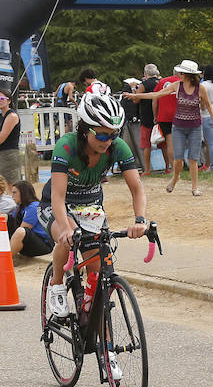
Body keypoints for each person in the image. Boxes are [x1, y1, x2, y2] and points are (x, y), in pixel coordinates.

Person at [43, 94, 148, 347]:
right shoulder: (66, 146)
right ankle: (57, 284)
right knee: (66, 238)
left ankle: (100, 335)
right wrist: (67, 229)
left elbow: (137, 188)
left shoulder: (116, 146)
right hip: (58, 204)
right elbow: (57, 198)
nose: (108, 141)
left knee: (99, 272)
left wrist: (140, 220)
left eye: (113, 134)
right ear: (84, 130)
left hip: (91, 207)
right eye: (101, 135)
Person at [125, 60, 213, 196]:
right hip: (178, 126)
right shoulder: (176, 86)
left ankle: (194, 188)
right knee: (178, 158)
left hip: (195, 127)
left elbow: (208, 105)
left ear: (187, 74)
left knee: (193, 158)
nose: (179, 74)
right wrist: (136, 95)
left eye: (181, 72)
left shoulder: (200, 88)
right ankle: (175, 178)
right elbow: (156, 95)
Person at [9, 180, 52, 259]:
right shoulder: (21, 207)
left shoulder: (33, 207)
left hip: (43, 245)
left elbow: (22, 230)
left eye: (14, 193)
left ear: (23, 193)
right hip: (29, 241)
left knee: (20, 231)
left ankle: (5, 261)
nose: (12, 196)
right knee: (3, 219)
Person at [0, 92, 23, 183]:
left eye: (2, 99)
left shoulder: (12, 116)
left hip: (9, 154)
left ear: (9, 101)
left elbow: (0, 139)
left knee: (11, 184)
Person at [136, 64, 160, 174]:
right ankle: (168, 168)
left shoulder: (143, 84)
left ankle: (147, 169)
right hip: (160, 115)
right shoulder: (161, 82)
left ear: (145, 74)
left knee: (146, 144)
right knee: (163, 144)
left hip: (146, 116)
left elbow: (136, 99)